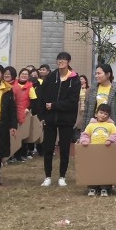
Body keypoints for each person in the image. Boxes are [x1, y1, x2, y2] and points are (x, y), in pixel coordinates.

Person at [38, 52, 81, 188]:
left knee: (64, 148)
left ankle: (62, 176)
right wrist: (42, 116)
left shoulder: (74, 79)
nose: (60, 61)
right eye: (59, 59)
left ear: (68, 62)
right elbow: (41, 97)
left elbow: (72, 102)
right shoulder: (51, 77)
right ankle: (48, 176)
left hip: (66, 119)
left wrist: (54, 105)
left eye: (63, 59)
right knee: (48, 148)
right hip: (50, 119)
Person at [79, 103, 116, 196]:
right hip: (93, 152)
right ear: (96, 114)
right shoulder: (91, 125)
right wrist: (85, 141)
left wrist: (110, 140)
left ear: (108, 116)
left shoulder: (111, 125)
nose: (103, 115)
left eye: (106, 114)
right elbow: (85, 135)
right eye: (101, 113)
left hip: (106, 151)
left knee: (106, 169)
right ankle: (92, 187)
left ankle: (105, 188)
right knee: (93, 168)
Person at [82, 64, 116, 138]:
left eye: (99, 73)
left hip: (112, 126)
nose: (96, 76)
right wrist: (84, 129)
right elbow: (87, 110)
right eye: (96, 74)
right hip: (94, 126)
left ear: (108, 74)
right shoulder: (92, 89)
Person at [0, 63, 18, 187]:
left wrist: (13, 126)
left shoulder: (8, 89)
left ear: (2, 75)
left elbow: (12, 109)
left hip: (1, 125)